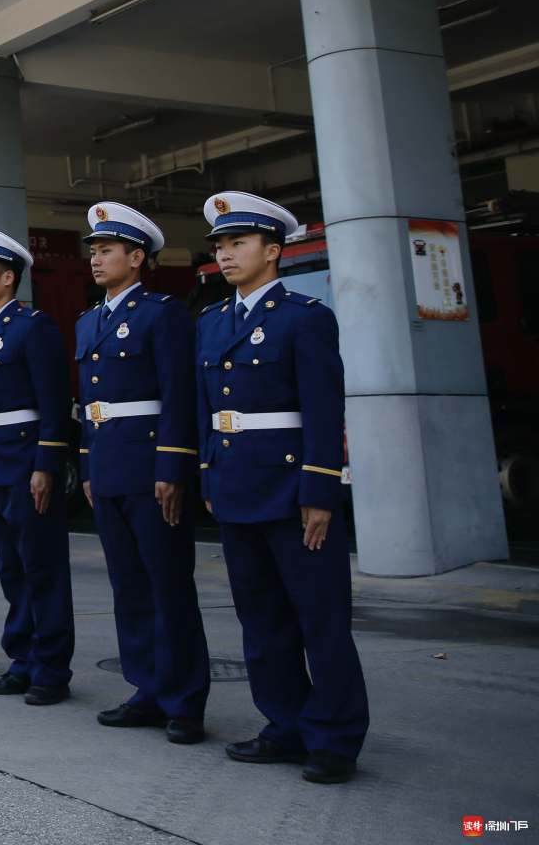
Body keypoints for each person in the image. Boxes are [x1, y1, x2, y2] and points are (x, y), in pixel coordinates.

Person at [198, 191, 367, 784]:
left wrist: (320, 492)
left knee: (320, 619)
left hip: (293, 489)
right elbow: (207, 409)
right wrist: (208, 473)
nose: (225, 255)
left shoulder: (304, 316)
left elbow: (325, 411)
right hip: (237, 485)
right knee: (262, 619)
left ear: (273, 251)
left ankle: (335, 738)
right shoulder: (213, 323)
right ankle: (286, 727)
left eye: (237, 243)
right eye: (219, 245)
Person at [77, 203, 209, 744]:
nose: (96, 259)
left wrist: (174, 466)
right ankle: (146, 689)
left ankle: (184, 700)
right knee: (129, 586)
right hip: (108, 468)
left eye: (107, 250)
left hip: (152, 467)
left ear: (137, 258)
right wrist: (86, 464)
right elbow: (88, 404)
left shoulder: (163, 313)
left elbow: (179, 394)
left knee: (168, 584)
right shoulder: (90, 321)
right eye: (94, 251)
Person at [0, 226, 75, 705]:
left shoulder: (33, 327)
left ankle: (50, 668)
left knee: (42, 568)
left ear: (8, 278)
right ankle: (22, 659)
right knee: (11, 569)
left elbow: (55, 404)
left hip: (27, 462)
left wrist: (48, 465)